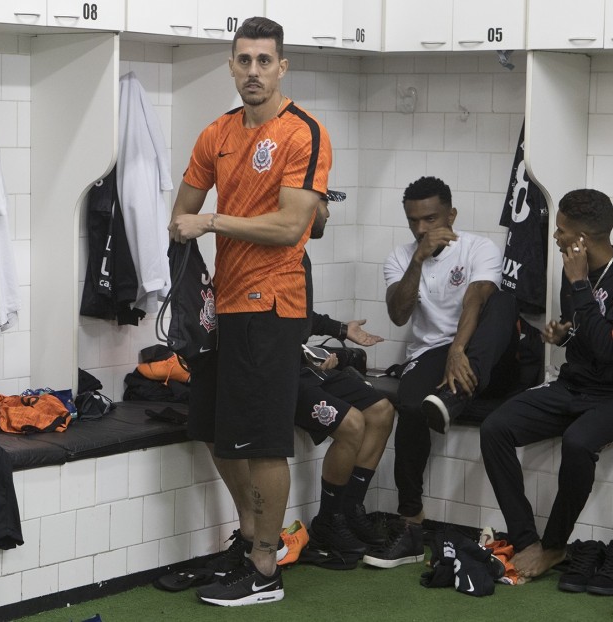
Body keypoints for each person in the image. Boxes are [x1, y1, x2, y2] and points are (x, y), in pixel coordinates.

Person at [167, 16, 332, 606]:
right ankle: (251, 539)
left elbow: (290, 226)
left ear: (282, 67)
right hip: (225, 305)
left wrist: (212, 219)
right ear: (232, 66)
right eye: (244, 60)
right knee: (214, 430)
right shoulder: (217, 133)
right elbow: (180, 213)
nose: (254, 71)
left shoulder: (302, 132)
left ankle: (267, 567)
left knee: (263, 442)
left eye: (265, 61)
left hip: (274, 303)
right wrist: (196, 221)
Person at [480, 188, 613, 582]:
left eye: (561, 231)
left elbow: (609, 349)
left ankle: (556, 546)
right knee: (495, 428)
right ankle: (527, 541)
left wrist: (579, 285)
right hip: (574, 384)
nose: (555, 237)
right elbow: (586, 337)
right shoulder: (568, 270)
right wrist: (563, 335)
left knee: (578, 443)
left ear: (582, 239)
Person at [372, 176, 522, 568]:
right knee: (409, 403)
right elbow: (399, 313)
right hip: (433, 353)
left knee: (504, 302)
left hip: (485, 351)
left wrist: (459, 348)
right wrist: (419, 259)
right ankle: (410, 525)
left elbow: (479, 296)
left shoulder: (478, 247)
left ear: (451, 215)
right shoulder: (400, 259)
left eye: (431, 218)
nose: (421, 228)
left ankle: (453, 398)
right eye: (413, 221)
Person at [299, 192, 395, 555]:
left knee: (382, 410)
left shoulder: (300, 252)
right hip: (277, 374)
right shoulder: (279, 252)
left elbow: (300, 319)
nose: (328, 213)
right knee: (352, 423)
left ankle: (350, 509)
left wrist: (341, 331)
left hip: (301, 364)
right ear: (308, 208)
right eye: (325, 205)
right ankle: (328, 522)